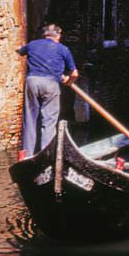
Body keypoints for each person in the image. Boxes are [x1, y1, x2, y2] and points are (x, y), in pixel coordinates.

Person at [17, 24, 78, 157]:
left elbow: (20, 51)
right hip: (51, 84)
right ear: (58, 35)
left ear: (44, 35)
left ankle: (27, 155)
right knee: (49, 121)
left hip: (32, 82)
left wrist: (22, 49)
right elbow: (74, 74)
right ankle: (47, 155)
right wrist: (68, 82)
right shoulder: (63, 49)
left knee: (30, 119)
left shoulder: (32, 45)